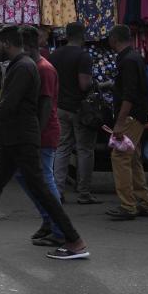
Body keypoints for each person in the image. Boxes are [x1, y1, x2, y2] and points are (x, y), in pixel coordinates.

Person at [0, 25, 89, 260]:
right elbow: (12, 103)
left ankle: (74, 240)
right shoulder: (21, 66)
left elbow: (11, 106)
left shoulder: (24, 67)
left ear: (7, 43)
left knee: (41, 189)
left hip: (22, 139)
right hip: (11, 139)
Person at [17, 26, 66, 246]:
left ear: (26, 47)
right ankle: (49, 220)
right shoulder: (32, 66)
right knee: (23, 175)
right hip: (34, 131)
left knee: (44, 179)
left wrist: (35, 138)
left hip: (43, 133)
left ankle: (59, 229)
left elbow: (45, 107)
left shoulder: (44, 69)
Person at [105, 24, 148, 220]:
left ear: (114, 39)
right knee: (133, 158)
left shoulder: (127, 60)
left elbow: (129, 95)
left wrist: (119, 122)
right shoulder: (134, 57)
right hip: (138, 115)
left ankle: (128, 205)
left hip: (131, 116)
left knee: (120, 156)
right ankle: (144, 203)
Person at [50, 22, 98, 204]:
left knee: (62, 148)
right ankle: (84, 192)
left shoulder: (55, 55)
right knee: (85, 149)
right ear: (82, 35)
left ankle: (58, 190)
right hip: (79, 108)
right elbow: (84, 84)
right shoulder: (83, 56)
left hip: (60, 107)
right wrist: (96, 85)